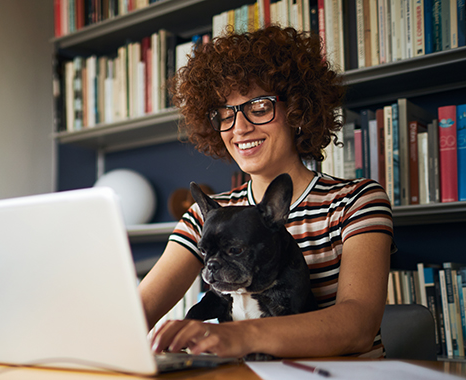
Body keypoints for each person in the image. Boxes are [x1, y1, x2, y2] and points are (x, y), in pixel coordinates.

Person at [138, 25, 394, 359]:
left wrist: (240, 335)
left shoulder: (354, 201)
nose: (240, 128)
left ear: (298, 111)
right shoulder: (209, 215)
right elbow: (138, 310)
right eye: (226, 115)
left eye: (259, 108)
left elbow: (358, 327)